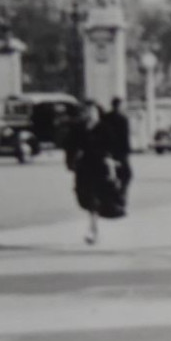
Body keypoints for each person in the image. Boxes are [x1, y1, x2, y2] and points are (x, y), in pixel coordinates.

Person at [64, 100, 125, 245]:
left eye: (93, 111)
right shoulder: (79, 129)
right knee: (83, 196)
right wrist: (70, 161)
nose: (90, 114)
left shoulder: (105, 128)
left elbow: (114, 147)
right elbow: (70, 147)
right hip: (84, 166)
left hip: (99, 166)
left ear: (97, 113)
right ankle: (93, 223)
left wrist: (112, 162)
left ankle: (92, 229)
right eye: (87, 111)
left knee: (94, 199)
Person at [102, 96, 133, 194]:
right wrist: (127, 151)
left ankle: (111, 191)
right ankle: (121, 192)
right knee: (126, 174)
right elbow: (125, 136)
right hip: (119, 151)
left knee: (108, 172)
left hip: (106, 150)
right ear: (119, 106)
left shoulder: (105, 117)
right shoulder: (123, 119)